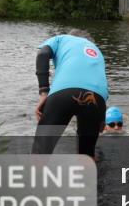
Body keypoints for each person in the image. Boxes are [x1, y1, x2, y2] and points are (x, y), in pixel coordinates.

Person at [32, 29, 110, 157]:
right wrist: (101, 118)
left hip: (64, 92)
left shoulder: (61, 39)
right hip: (96, 98)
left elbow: (42, 54)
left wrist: (44, 92)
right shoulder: (97, 52)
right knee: (87, 156)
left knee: (40, 153)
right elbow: (100, 83)